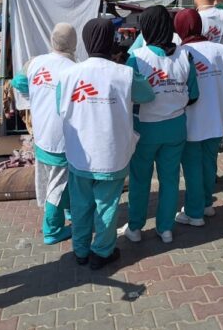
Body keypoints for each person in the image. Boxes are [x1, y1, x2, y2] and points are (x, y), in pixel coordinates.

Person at [57, 18, 154, 269]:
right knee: (107, 205)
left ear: (86, 41)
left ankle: (80, 250)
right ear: (112, 41)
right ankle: (101, 252)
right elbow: (147, 95)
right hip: (112, 153)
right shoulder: (125, 73)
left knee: (80, 205)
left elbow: (60, 107)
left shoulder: (68, 75)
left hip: (80, 153)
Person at [121, 5, 199, 244]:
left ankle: (135, 228)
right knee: (170, 179)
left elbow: (127, 96)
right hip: (176, 127)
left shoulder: (137, 58)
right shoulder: (185, 56)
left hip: (145, 129)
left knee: (140, 179)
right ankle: (165, 229)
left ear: (146, 28)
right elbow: (194, 94)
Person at [173, 9, 223, 226]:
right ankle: (206, 204)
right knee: (209, 164)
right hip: (217, 116)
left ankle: (194, 214)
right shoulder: (221, 49)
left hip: (192, 119)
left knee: (192, 168)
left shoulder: (181, 52)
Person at [11, 23, 78, 245]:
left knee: (53, 180)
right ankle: (52, 229)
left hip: (41, 134)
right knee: (57, 185)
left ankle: (68, 211)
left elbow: (18, 82)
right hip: (62, 138)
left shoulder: (35, 62)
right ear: (74, 43)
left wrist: (37, 95)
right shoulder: (74, 69)